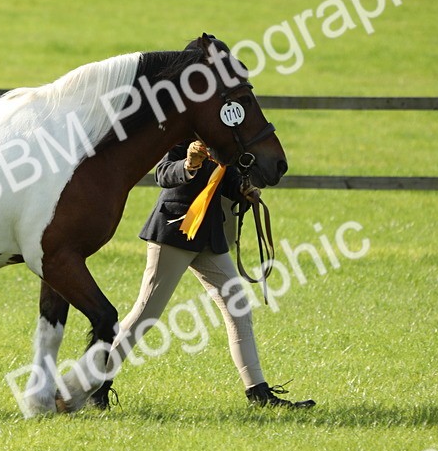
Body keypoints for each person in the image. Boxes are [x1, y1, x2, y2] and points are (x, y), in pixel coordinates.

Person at [96, 138, 316, 409]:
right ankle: (96, 386)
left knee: (239, 308)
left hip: (208, 235)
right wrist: (189, 163)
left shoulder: (220, 138)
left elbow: (226, 178)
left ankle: (258, 394)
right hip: (175, 231)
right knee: (145, 314)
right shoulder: (182, 134)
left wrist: (242, 189)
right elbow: (163, 174)